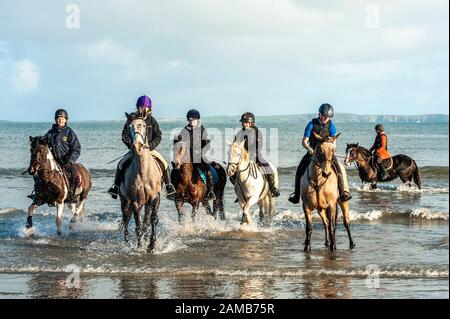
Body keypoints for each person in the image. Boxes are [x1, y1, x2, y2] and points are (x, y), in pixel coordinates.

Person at [107, 95, 176, 199]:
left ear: (149, 108)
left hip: (150, 150)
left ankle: (168, 186)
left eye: (146, 106)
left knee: (165, 164)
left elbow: (158, 135)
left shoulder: (151, 120)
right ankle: (116, 187)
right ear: (137, 107)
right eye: (141, 106)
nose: (143, 108)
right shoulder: (131, 119)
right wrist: (131, 146)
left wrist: (151, 146)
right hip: (134, 150)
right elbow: (124, 135)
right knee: (121, 164)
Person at [288, 103, 351, 204]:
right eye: (324, 116)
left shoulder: (331, 125)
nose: (325, 119)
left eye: (327, 117)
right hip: (312, 152)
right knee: (299, 170)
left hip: (326, 152)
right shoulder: (311, 124)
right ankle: (296, 195)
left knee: (338, 170)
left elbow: (334, 142)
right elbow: (304, 141)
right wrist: (309, 149)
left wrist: (331, 150)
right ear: (319, 114)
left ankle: (343, 193)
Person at [28, 109, 81, 203]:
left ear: (66, 120)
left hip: (67, 160)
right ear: (56, 120)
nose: (60, 120)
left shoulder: (69, 132)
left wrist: (70, 160)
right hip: (54, 160)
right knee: (37, 173)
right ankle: (38, 194)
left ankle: (72, 195)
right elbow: (42, 144)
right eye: (58, 118)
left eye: (62, 118)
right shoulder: (50, 133)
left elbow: (76, 148)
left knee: (74, 174)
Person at [232, 112, 280, 197]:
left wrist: (253, 154)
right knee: (232, 174)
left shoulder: (257, 132)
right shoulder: (240, 133)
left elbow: (259, 145)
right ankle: (240, 191)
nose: (244, 124)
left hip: (255, 154)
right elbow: (235, 145)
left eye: (246, 122)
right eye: (243, 122)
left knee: (267, 167)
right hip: (243, 158)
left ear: (251, 122)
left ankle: (272, 188)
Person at [172, 109, 216, 200]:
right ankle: (173, 191)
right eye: (190, 120)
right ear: (188, 120)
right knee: (174, 170)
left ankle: (210, 191)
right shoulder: (184, 130)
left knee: (207, 169)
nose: (192, 122)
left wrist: (201, 151)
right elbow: (179, 144)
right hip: (187, 157)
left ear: (197, 120)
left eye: (194, 120)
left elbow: (207, 144)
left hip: (199, 155)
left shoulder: (202, 130)